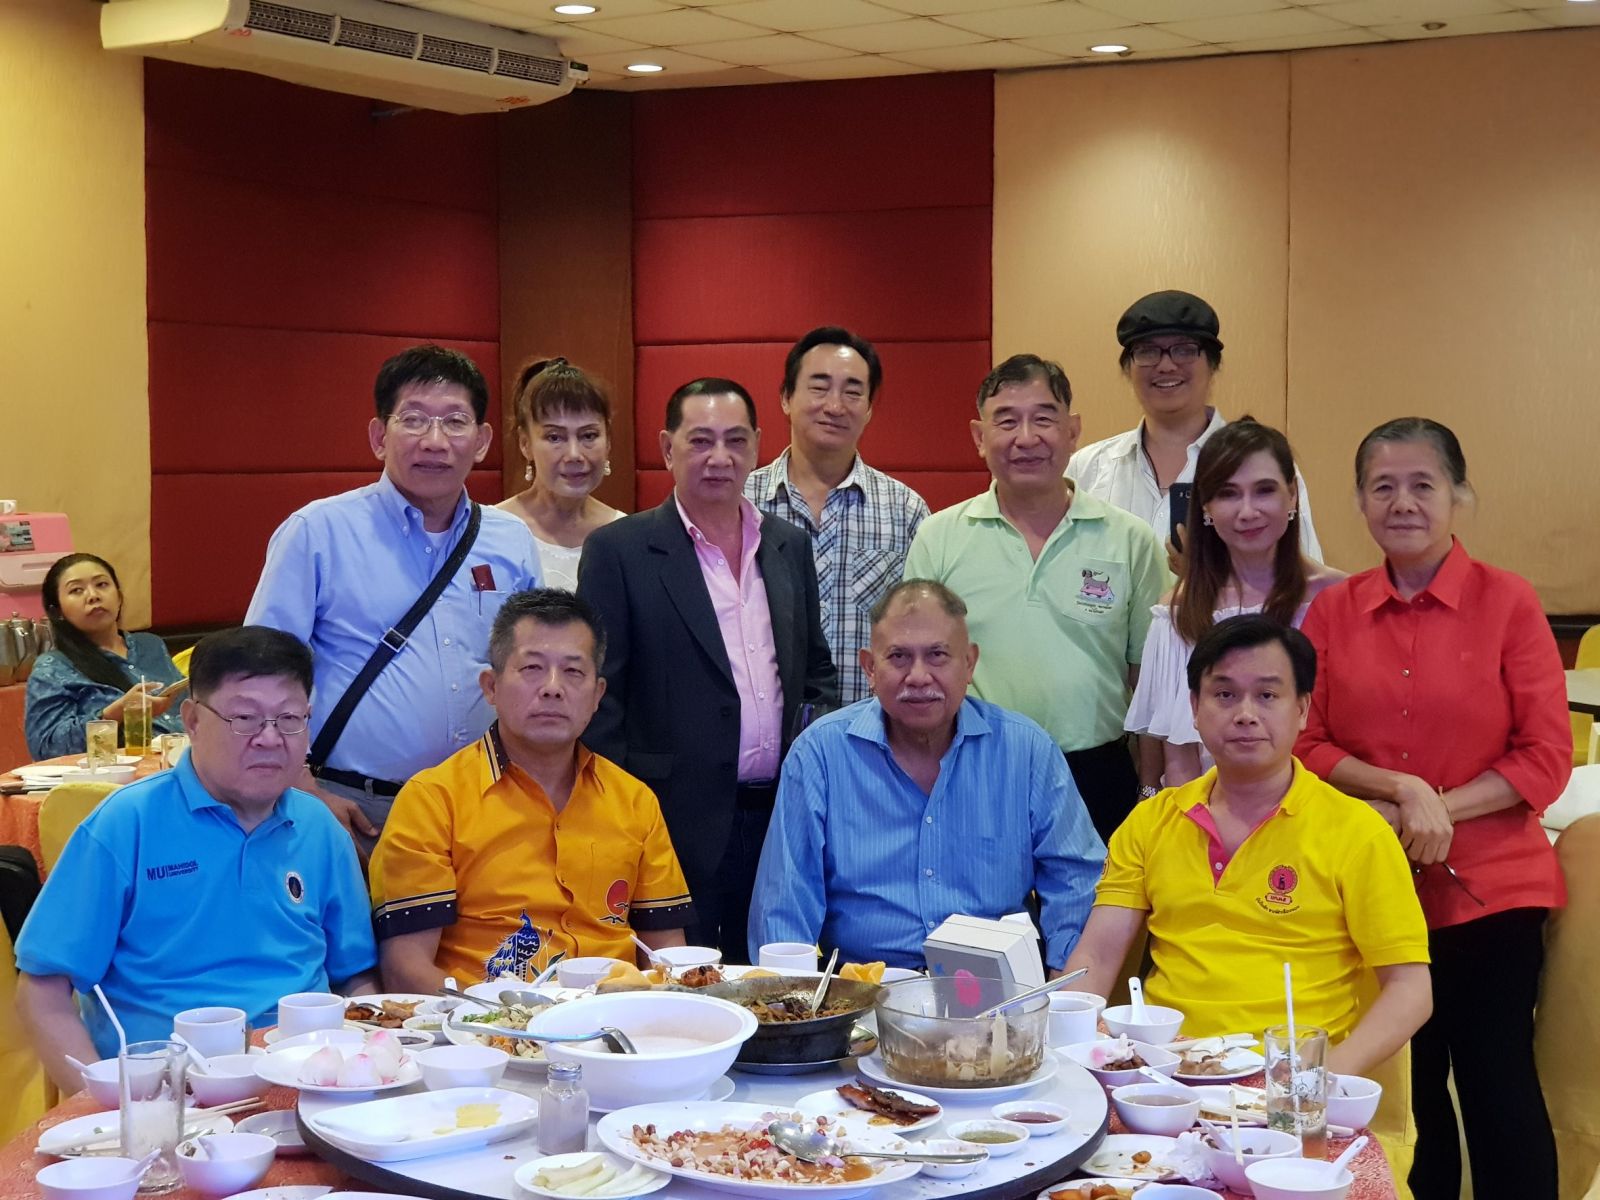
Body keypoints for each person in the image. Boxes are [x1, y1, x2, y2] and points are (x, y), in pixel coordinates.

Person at [1294, 418, 1569, 1200]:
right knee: (1407, 1095)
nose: (1403, 502)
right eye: (1383, 487)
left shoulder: (1509, 602)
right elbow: (1306, 742)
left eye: (1423, 485)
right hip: (1371, 887)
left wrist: (1437, 808)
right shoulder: (1334, 611)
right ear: (1359, 502)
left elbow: (1545, 756)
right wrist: (1399, 791)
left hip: (1493, 887)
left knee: (1498, 1083)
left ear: (1458, 495)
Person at [1065, 615, 1431, 1074]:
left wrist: (1320, 1081)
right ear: (1194, 707)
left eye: (1267, 695)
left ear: (1302, 709)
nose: (1245, 713)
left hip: (1288, 1076)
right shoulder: (1152, 821)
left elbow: (1410, 989)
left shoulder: (1357, 831)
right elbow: (1097, 956)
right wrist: (1060, 1048)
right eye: (1224, 695)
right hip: (1162, 1073)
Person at [14, 627, 377, 1089]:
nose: (270, 738)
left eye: (290, 718)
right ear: (192, 720)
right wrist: (108, 1101)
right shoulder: (127, 823)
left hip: (304, 1081)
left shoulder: (319, 828)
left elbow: (356, 977)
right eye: (245, 718)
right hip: (165, 1089)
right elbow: (42, 990)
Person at [577, 377, 838, 963]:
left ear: (757, 446)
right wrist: (625, 814)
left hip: (780, 816)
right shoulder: (619, 551)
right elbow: (601, 700)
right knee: (679, 982)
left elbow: (815, 671)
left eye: (735, 440)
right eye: (700, 441)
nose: (719, 457)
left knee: (774, 979)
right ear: (667, 448)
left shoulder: (788, 545)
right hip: (669, 818)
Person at [246, 344, 542, 851]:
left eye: (455, 422)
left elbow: (530, 667)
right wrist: (300, 787)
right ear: (379, 436)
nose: (435, 441)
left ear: (482, 441)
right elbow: (259, 674)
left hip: (484, 806)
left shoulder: (510, 540)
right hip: (352, 809)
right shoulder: (318, 532)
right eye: (414, 419)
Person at [749, 580, 1105, 970]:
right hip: (862, 991)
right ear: (870, 667)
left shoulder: (1027, 752)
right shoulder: (820, 754)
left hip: (1000, 992)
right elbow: (783, 912)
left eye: (937, 655)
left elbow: (1077, 882)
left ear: (969, 663)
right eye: (899, 657)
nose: (918, 676)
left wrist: (1061, 986)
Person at [370, 589, 693, 988]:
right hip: (483, 1019)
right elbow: (405, 970)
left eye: (573, 672)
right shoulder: (433, 800)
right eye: (532, 668)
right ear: (491, 686)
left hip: (616, 1015)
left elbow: (668, 957)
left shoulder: (635, 801)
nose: (553, 688)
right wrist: (504, 1017)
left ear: (597, 695)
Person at [903, 354, 1166, 839]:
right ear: (979, 437)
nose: (1026, 438)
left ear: (1073, 431)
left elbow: (1150, 682)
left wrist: (1150, 792)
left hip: (1097, 774)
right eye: (1006, 421)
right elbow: (919, 670)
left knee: (1096, 892)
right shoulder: (938, 537)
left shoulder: (1131, 540)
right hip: (973, 769)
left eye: (1044, 419)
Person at [1125, 420, 1344, 787]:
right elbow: (1178, 759)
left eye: (1264, 491)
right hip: (1209, 812)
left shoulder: (1338, 599)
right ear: (1206, 506)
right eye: (1228, 494)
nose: (1247, 511)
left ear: (1292, 495)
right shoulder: (1178, 611)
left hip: (1320, 810)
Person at [746, 327, 929, 705]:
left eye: (852, 392)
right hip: (762, 731)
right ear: (786, 397)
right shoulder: (741, 503)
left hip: (874, 729)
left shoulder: (907, 511)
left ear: (869, 408)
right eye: (819, 387)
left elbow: (925, 631)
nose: (835, 406)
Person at [1067, 289, 1322, 561]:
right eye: (1147, 351)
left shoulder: (1264, 465)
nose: (1166, 365)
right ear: (1128, 368)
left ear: (1212, 364)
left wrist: (1212, 575)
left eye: (1184, 350)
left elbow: (1302, 576)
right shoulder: (1087, 468)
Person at [24, 553, 184, 760]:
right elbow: (46, 748)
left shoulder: (150, 645)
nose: (93, 596)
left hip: (185, 759)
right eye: (76, 590)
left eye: (101, 584)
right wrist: (114, 714)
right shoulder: (52, 668)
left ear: (119, 597)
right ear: (58, 611)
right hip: (122, 772)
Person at [496, 357, 625, 591]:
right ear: (525, 443)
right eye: (555, 437)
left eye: (589, 436)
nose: (574, 455)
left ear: (608, 442)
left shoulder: (627, 535)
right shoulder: (493, 530)